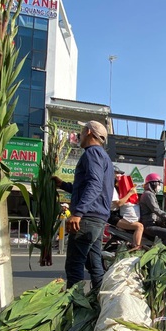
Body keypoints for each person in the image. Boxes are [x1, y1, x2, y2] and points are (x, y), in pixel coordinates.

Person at [52, 121, 114, 290]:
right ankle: (101, 302)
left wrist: (78, 213)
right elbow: (88, 186)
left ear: (87, 132)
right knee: (94, 265)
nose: (79, 134)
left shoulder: (91, 153)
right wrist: (63, 185)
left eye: (81, 130)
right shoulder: (103, 156)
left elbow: (94, 185)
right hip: (98, 218)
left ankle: (76, 306)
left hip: (87, 218)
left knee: (74, 264)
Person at [139, 173, 166, 246]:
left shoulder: (150, 194)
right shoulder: (148, 194)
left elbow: (157, 212)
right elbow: (157, 211)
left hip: (153, 223)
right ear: (153, 184)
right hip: (149, 225)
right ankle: (160, 253)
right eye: (158, 184)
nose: (159, 186)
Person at [110, 168, 144, 250]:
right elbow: (119, 203)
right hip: (113, 216)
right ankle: (136, 248)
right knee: (139, 226)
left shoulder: (118, 189)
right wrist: (130, 193)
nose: (119, 176)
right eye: (117, 174)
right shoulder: (112, 188)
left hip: (118, 214)